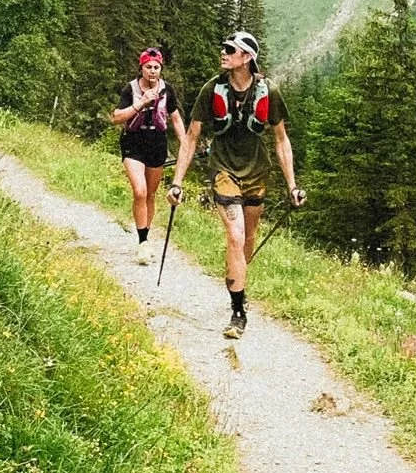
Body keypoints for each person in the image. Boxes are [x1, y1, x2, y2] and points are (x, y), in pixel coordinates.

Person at [169, 30, 303, 337]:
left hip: (257, 173)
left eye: (230, 49)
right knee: (235, 234)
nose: (223, 52)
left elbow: (281, 141)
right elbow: (191, 138)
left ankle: (237, 280)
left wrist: (292, 185)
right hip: (224, 170)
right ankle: (238, 312)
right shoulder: (211, 89)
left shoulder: (269, 92)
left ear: (246, 58)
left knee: (246, 241)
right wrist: (177, 182)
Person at [109, 47, 187, 263]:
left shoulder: (167, 90)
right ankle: (143, 243)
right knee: (140, 191)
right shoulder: (130, 89)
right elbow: (115, 117)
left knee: (151, 194)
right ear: (141, 68)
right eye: (148, 67)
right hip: (134, 141)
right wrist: (141, 102)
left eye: (156, 67)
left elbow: (176, 118)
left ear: (161, 69)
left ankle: (146, 235)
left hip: (157, 142)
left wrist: (186, 144)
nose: (152, 71)